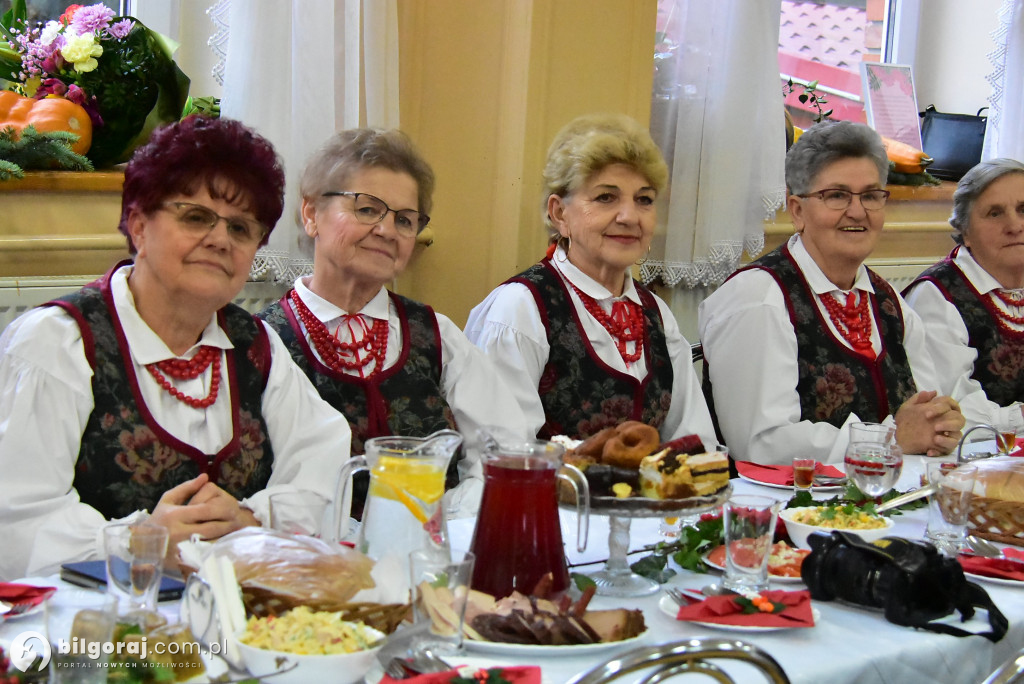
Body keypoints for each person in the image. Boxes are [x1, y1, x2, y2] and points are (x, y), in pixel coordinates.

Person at [0, 116, 352, 580]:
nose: (220, 239)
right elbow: (17, 524)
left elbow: (324, 464)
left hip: (228, 617)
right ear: (139, 225)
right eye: (195, 217)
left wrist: (250, 520)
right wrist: (139, 543)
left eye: (242, 228)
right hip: (95, 626)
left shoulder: (254, 345)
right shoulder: (57, 342)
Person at [257, 128, 528, 512]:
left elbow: (505, 450)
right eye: (367, 208)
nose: (386, 230)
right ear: (311, 213)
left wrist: (439, 521)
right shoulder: (262, 341)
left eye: (404, 219)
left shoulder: (436, 335)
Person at [698, 120, 965, 466]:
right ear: (797, 211)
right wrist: (888, 439)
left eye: (871, 195)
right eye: (836, 195)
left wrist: (940, 422)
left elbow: (925, 412)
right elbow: (761, 443)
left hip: (880, 500)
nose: (857, 211)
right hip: (788, 509)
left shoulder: (888, 301)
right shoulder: (759, 298)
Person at [464, 113, 717, 446]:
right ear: (559, 214)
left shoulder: (656, 313)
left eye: (644, 200)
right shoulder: (520, 310)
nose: (629, 217)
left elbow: (695, 443)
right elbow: (501, 457)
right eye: (605, 198)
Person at [903, 159, 1024, 435]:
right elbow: (951, 409)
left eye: (1023, 209)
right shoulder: (937, 296)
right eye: (995, 213)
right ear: (965, 231)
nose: (1014, 225)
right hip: (966, 459)